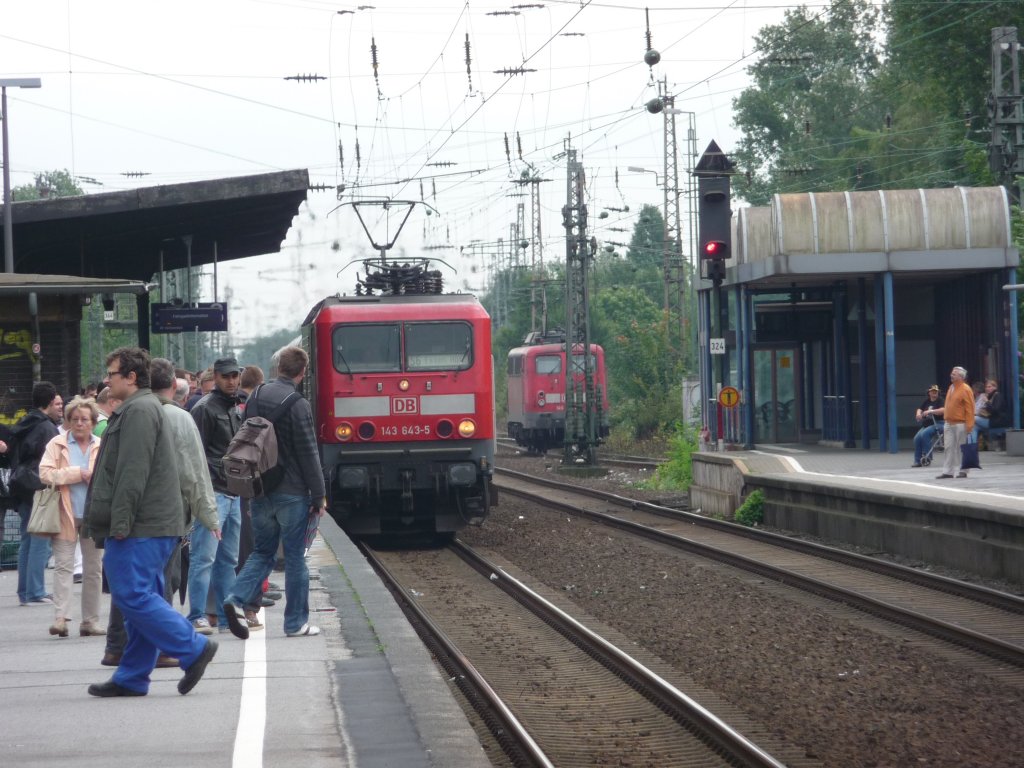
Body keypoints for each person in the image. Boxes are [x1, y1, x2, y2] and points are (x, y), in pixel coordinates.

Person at [84, 346, 216, 697]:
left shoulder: (139, 411)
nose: (107, 380)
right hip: (153, 523)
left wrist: (120, 524)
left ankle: (193, 647)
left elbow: (132, 473)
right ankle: (132, 676)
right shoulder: (140, 408)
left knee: (131, 595)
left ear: (131, 377)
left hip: (141, 525)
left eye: (112, 374)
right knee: (144, 596)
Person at [224, 345, 327, 640]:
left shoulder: (256, 395)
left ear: (278, 367)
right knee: (295, 558)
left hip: (260, 487)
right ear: (302, 372)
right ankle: (295, 623)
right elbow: (308, 453)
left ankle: (235, 597)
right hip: (292, 492)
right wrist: (318, 495)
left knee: (262, 552)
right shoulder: (298, 404)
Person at [187, 357, 244, 635]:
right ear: (216, 377)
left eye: (234, 376)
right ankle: (197, 615)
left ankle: (224, 617)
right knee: (204, 558)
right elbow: (196, 453)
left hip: (232, 492)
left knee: (227, 560)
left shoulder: (233, 407)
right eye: (226, 376)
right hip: (213, 493)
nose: (231, 381)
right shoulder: (205, 408)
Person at [38, 397, 104, 638]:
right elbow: (45, 474)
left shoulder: (102, 444)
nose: (79, 423)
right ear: (67, 421)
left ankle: (90, 621)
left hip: (93, 515)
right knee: (64, 566)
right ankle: (61, 618)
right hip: (64, 513)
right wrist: (78, 473)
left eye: (84, 419)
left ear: (93, 422)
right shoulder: (57, 444)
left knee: (93, 569)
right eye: (74, 419)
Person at [11, 381, 63, 606]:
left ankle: (25, 591)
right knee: (41, 538)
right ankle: (36, 590)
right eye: (57, 403)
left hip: (21, 485)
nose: (60, 407)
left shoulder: (24, 423)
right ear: (50, 402)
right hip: (40, 486)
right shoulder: (47, 428)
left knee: (26, 538)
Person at [936, 366, 975, 480]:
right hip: (948, 422)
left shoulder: (966, 389)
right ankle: (948, 471)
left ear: (961, 377)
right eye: (952, 373)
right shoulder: (951, 387)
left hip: (960, 423)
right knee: (948, 447)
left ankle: (963, 470)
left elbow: (970, 408)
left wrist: (969, 425)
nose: (951, 375)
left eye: (954, 374)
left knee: (961, 448)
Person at [911, 385, 944, 468]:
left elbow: (943, 410)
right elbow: (919, 409)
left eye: (936, 391)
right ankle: (917, 461)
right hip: (928, 424)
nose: (934, 392)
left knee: (925, 433)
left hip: (939, 423)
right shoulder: (927, 401)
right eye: (932, 391)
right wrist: (918, 414)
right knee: (917, 438)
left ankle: (927, 457)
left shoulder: (940, 400)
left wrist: (931, 411)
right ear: (929, 392)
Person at [971, 379, 1008, 444]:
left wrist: (987, 402)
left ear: (995, 387)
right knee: (973, 427)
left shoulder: (998, 396)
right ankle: (972, 446)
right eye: (986, 387)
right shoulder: (989, 396)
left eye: (989, 387)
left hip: (996, 421)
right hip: (989, 420)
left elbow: (995, 410)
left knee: (972, 418)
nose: (987, 389)